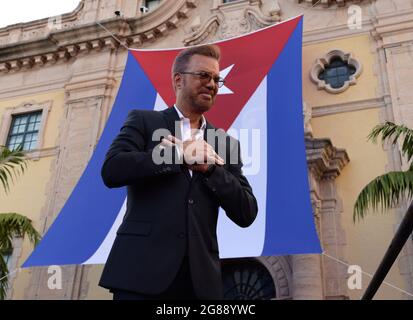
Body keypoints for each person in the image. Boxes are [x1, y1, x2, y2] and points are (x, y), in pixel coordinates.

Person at [99, 44, 258, 300]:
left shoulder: (226, 144)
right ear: (178, 80)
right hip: (140, 274)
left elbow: (246, 212)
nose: (212, 84)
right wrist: (178, 156)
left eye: (217, 79)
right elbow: (112, 169)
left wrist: (210, 169)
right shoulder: (144, 121)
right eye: (203, 75)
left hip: (199, 284)